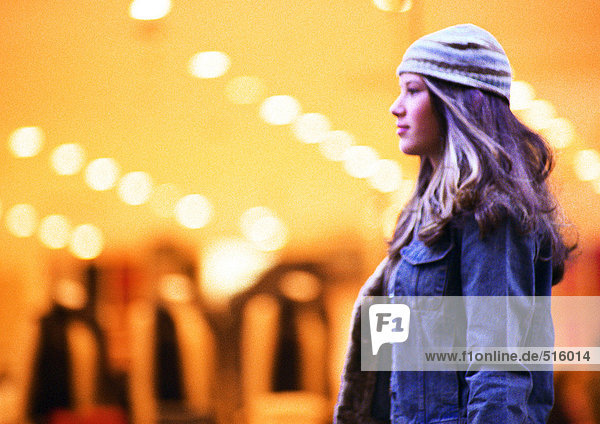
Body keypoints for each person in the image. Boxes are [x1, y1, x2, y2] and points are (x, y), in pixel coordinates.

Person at [333, 24, 576, 423]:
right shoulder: (420, 220)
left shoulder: (491, 215)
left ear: (458, 102)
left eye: (413, 91)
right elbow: (391, 373)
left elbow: (499, 366)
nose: (396, 107)